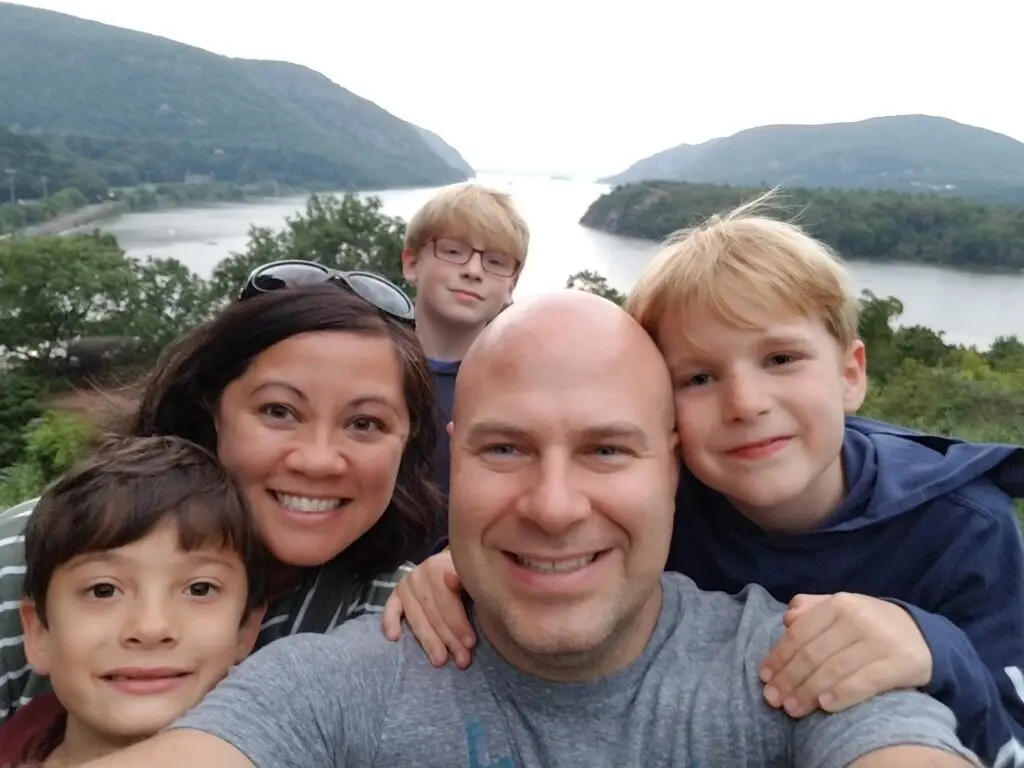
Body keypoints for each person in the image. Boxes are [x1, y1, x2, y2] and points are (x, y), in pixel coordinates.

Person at [79, 292, 978, 767]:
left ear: (673, 468)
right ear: (454, 461)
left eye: (606, 452)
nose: (554, 507)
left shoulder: (803, 671)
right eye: (507, 450)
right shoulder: (341, 678)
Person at [383, 199, 1024, 767]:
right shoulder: (667, 504)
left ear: (851, 373)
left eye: (780, 359)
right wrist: (466, 569)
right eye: (698, 377)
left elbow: (1009, 732)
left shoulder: (962, 526)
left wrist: (937, 650)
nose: (745, 402)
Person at [0, 269, 441, 724]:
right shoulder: (34, 552)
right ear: (211, 410)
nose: (318, 460)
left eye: (365, 423)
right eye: (279, 411)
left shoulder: (407, 618)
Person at [0, 435, 269, 765]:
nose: (151, 627)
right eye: (103, 590)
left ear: (246, 630)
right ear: (39, 633)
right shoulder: (16, 739)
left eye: (200, 589)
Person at [400, 183, 530, 541]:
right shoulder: (371, 369)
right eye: (454, 251)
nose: (473, 271)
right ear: (412, 263)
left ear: (511, 285)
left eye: (496, 262)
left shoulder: (521, 388)